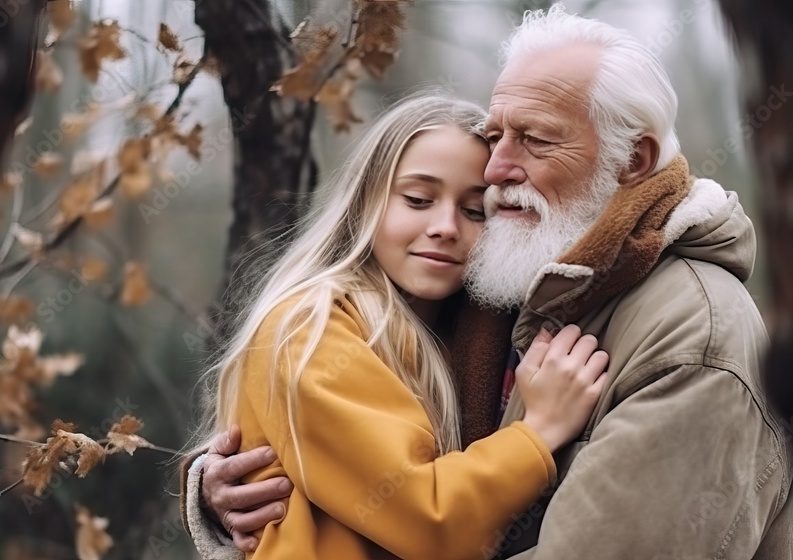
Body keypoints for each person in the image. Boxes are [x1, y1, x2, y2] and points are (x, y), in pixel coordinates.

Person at [187, 5, 793, 559]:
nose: (499, 169)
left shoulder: (693, 335)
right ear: (365, 206)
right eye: (497, 136)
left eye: (534, 139)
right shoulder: (497, 288)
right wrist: (228, 488)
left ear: (632, 161)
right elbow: (377, 473)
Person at [179, 92, 610, 559]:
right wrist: (539, 431)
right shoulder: (311, 328)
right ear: (366, 202)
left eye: (474, 211)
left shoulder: (469, 328)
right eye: (418, 199)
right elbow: (425, 518)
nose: (446, 226)